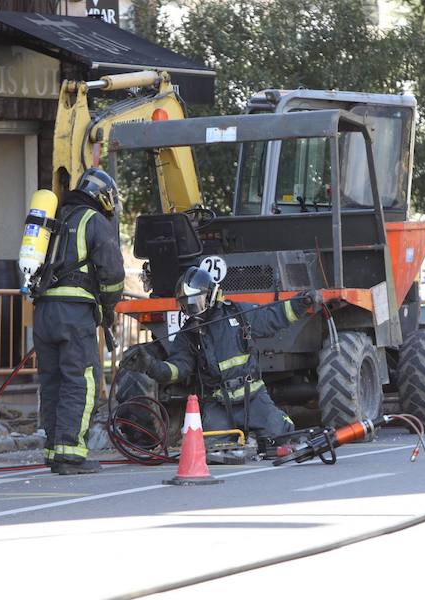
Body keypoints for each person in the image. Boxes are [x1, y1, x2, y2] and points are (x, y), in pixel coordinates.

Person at [122, 266, 322, 440]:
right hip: (217, 404)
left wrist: (302, 302)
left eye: (195, 302)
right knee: (213, 451)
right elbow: (178, 369)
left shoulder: (239, 314)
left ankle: (278, 425)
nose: (192, 309)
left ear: (211, 295)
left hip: (252, 398)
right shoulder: (188, 334)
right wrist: (151, 365)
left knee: (282, 437)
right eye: (186, 304)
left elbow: (274, 316)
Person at [33, 168, 124, 475]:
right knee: (81, 379)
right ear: (102, 196)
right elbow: (112, 274)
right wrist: (109, 308)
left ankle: (54, 448)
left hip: (44, 311)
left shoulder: (55, 218)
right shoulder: (94, 221)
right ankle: (71, 453)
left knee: (52, 380)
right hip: (73, 312)